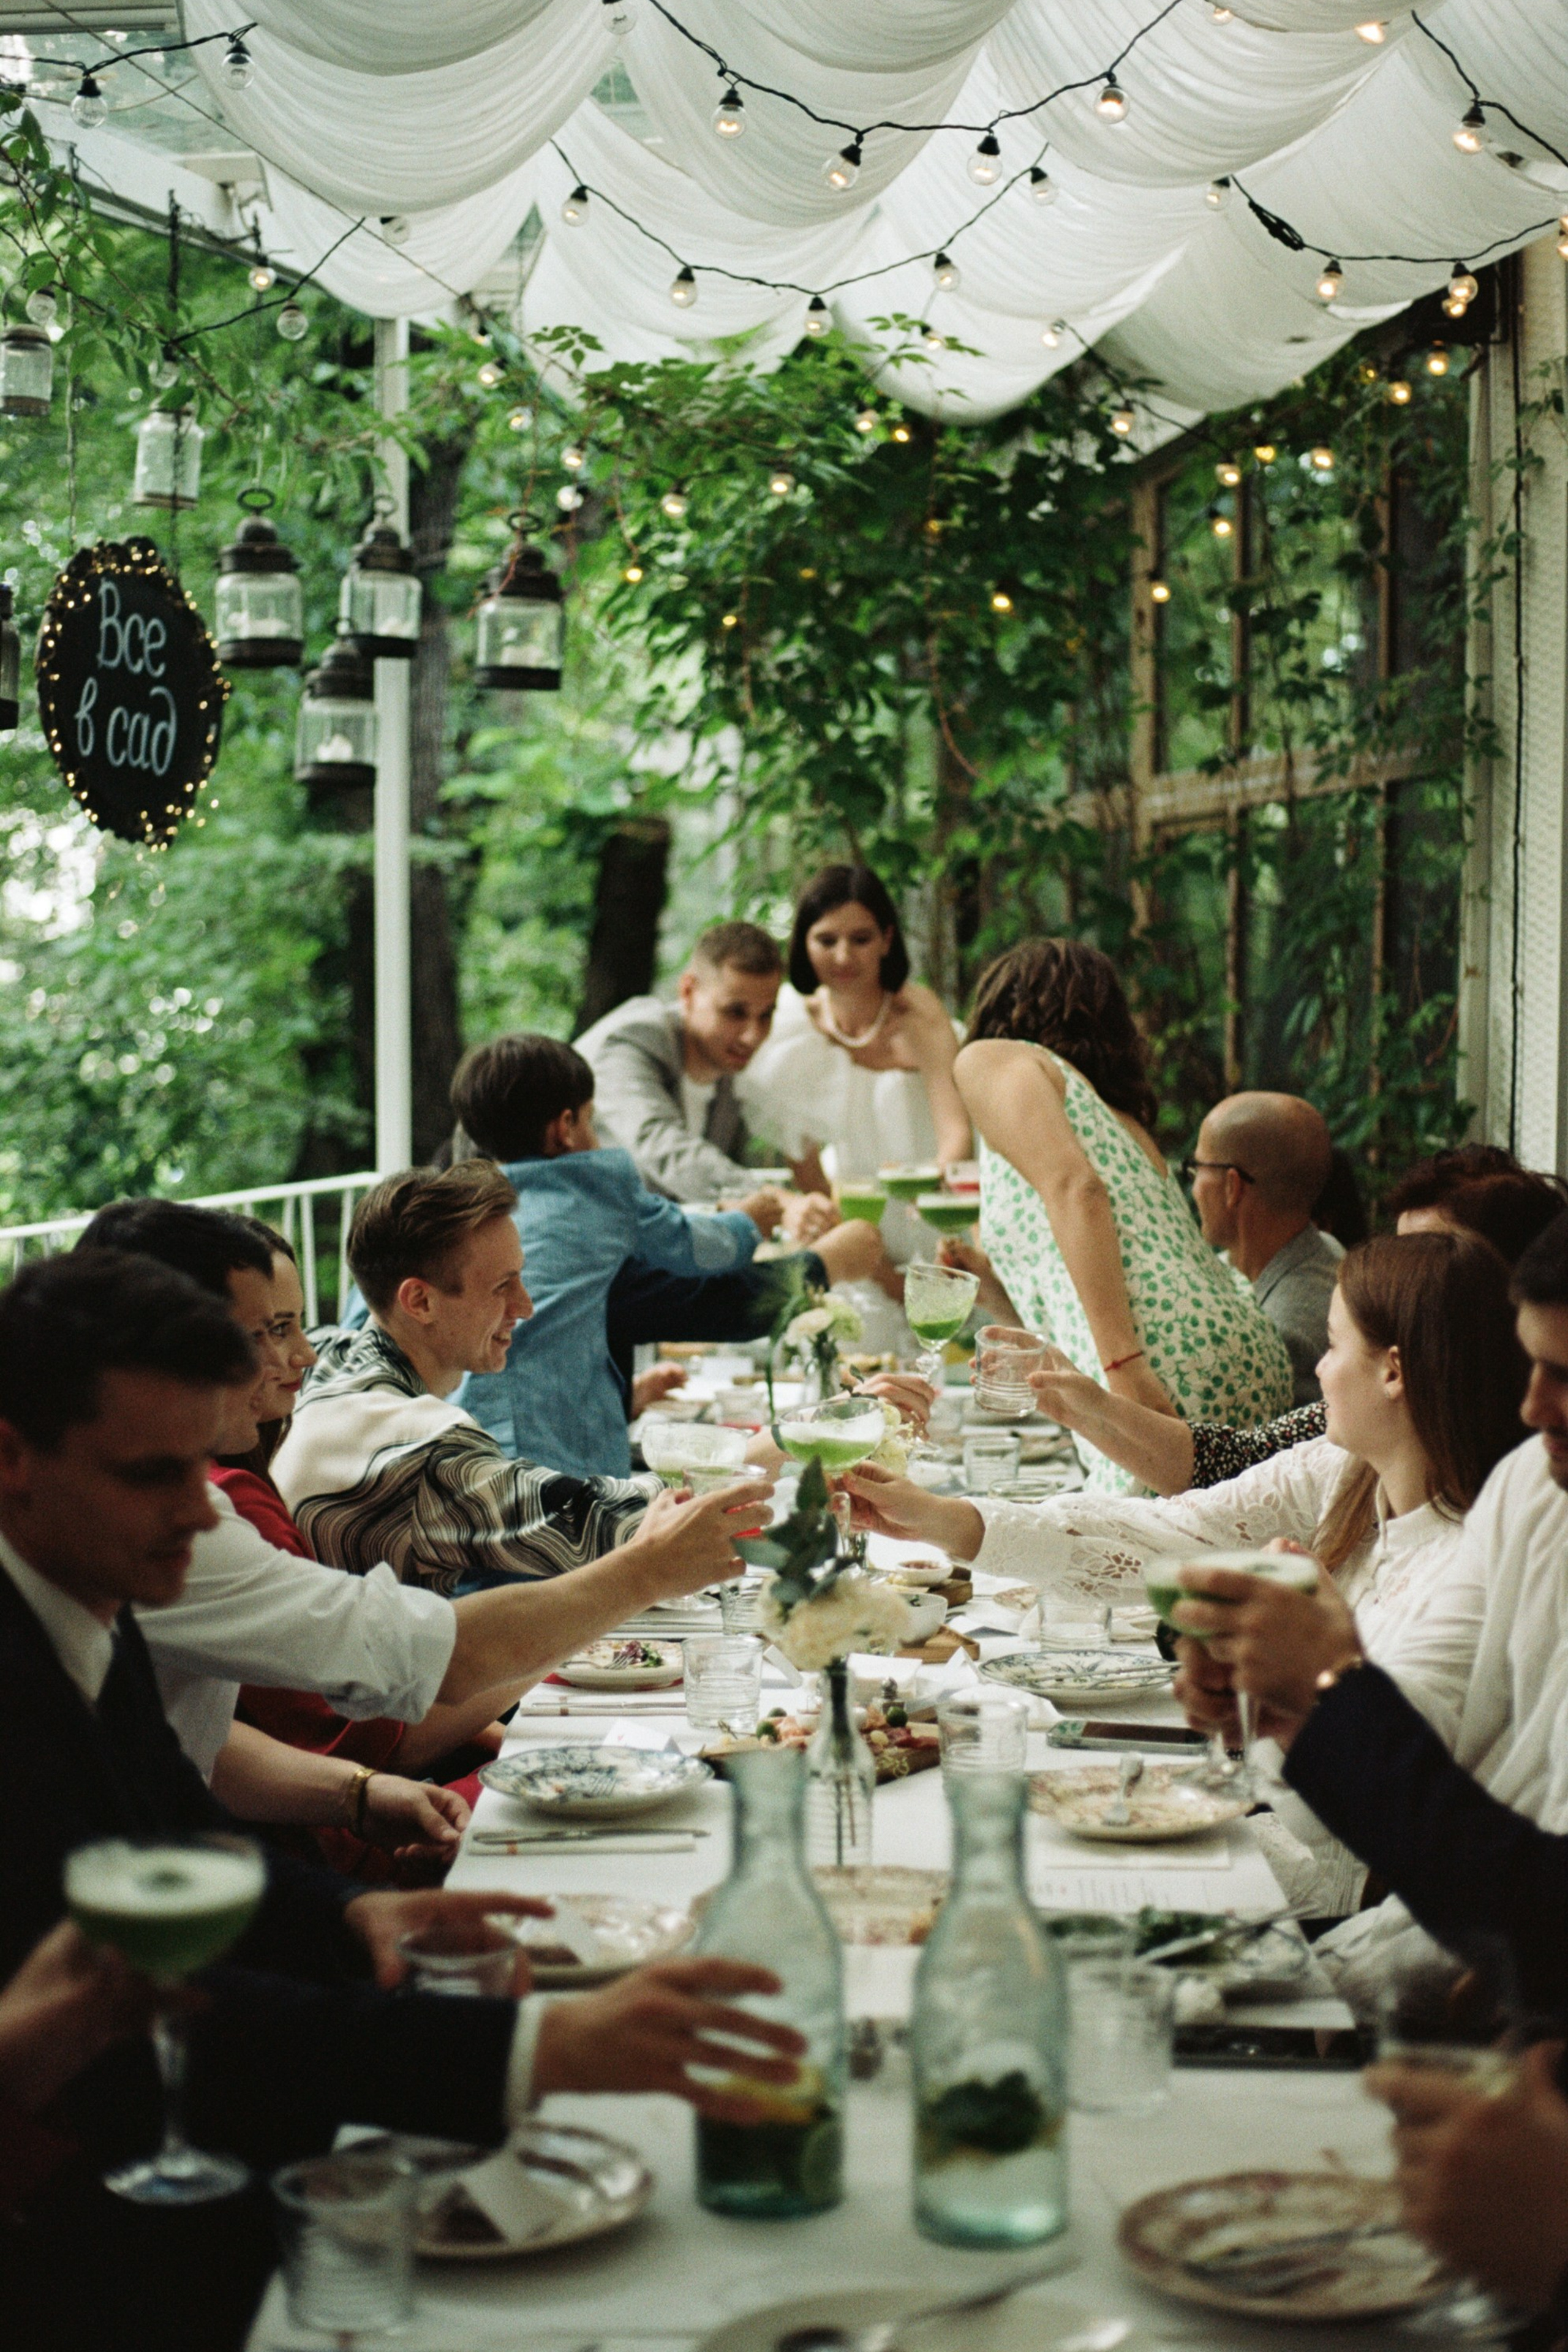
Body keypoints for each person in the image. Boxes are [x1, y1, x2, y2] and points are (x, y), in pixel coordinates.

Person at [0, 1250, 805, 2349]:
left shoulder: (92, 1590)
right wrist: (536, 2051)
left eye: (201, 1468)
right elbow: (145, 2013)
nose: (200, 1516)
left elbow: (181, 1839)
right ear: (12, 1460)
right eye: (153, 1475)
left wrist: (344, 1914)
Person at [78, 1198, 760, 1779]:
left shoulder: (339, 1368)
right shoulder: (186, 1520)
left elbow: (208, 1743)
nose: (304, 1356)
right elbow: (429, 1665)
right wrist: (748, 1475)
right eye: (269, 1331)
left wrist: (361, 1798)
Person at [1170, 1208, 1568, 2005]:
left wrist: (1318, 1685)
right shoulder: (1533, 1486)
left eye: (1566, 1375)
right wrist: (1273, 1693)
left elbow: (1535, 1901)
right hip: (1426, 1952)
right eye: (1531, 1365)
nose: (1532, 1407)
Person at [274, 1161, 771, 1593]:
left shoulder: (326, 1353)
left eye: (521, 1277)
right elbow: (600, 1522)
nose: (526, 1306)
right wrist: (787, 1442)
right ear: (419, 1301)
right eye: (501, 1287)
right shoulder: (418, 1452)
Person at [449, 1032, 886, 1479]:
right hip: (556, 1442)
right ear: (565, 1127)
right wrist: (748, 1222)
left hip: (471, 1426)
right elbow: (697, 1250)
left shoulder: (475, 1207)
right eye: (591, 1121)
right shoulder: (599, 1187)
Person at [1023, 1157, 1568, 1498]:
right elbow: (1232, 1466)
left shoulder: (1528, 1473)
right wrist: (1087, 1404)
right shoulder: (1372, 1427)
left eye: (1430, 1260)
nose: (1400, 1281)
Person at [954, 938, 1292, 1488]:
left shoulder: (995, 1058)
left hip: (1157, 1356)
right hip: (1238, 1348)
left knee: (1133, 1565)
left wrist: (1123, 1368)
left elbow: (1077, 1190)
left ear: (1004, 1007)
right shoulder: (1120, 1119)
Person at [738, 864, 970, 1267]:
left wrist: (930, 1196)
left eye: (860, 939)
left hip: (934, 1201)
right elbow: (806, 1167)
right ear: (804, 944)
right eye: (826, 940)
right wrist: (849, 1241)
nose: (843, 956)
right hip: (851, 1215)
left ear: (887, 939)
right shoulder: (792, 1028)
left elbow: (957, 1134)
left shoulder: (919, 1013)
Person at [578, 920, 831, 1240]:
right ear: (688, 992)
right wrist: (778, 1202)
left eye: (766, 1015)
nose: (753, 1036)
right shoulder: (630, 1042)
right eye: (735, 1012)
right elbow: (661, 1143)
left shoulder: (727, 1075)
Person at [1185, 1091, 1341, 1406]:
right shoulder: (1324, 1247)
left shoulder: (1280, 1336)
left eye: (1196, 1168)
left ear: (1233, 1187)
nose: (1194, 1188)